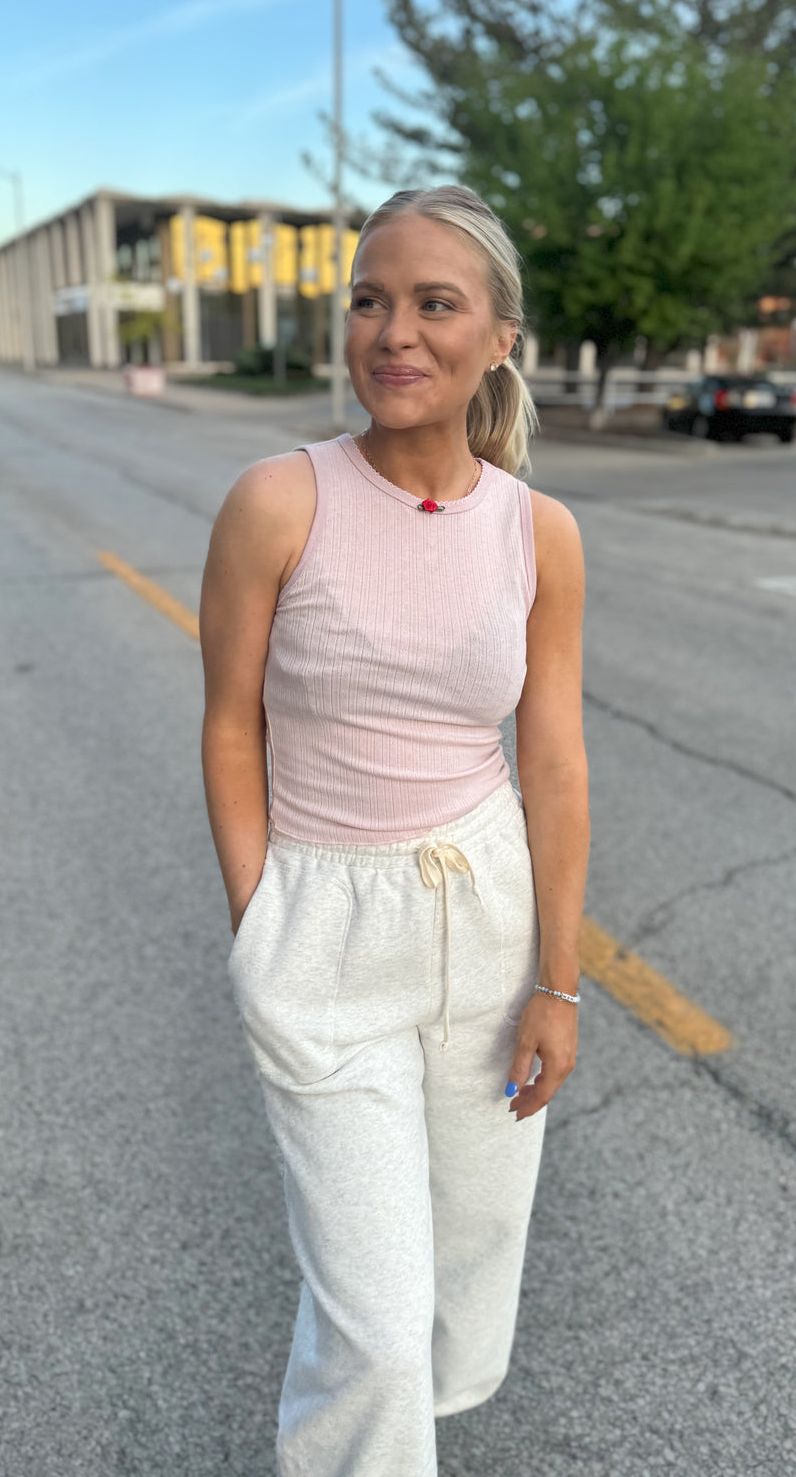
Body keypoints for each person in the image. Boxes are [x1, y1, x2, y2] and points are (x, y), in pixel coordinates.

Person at [199, 184, 589, 1476]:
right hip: (326, 928)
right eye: (371, 299)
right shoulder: (279, 500)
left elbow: (552, 758)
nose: (394, 332)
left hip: (484, 921)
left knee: (461, 1282)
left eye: (436, 303)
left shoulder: (539, 533)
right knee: (370, 1329)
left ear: (499, 340)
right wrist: (265, 923)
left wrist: (559, 982)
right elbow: (234, 724)